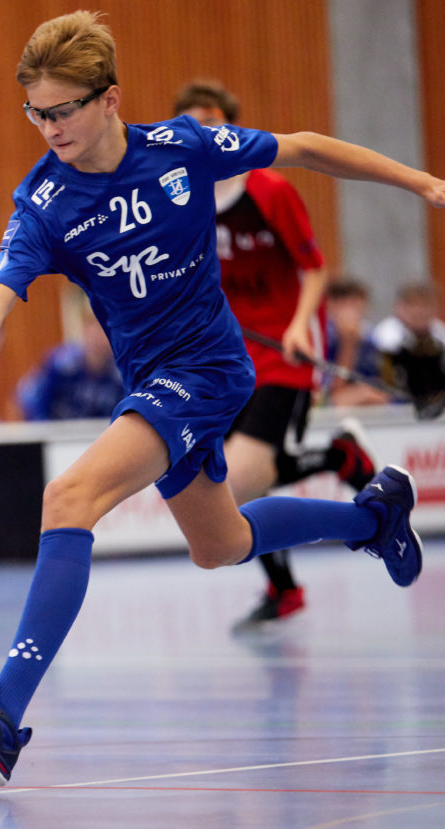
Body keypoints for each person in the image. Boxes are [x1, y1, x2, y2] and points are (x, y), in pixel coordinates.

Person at [0, 10, 436, 787]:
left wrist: (425, 184)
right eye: (35, 113)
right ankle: (375, 516)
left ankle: (2, 715)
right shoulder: (45, 202)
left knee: (69, 496)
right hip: (149, 380)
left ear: (109, 99)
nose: (49, 128)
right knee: (222, 544)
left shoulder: (182, 147)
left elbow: (305, 147)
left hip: (209, 369)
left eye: (62, 110)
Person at [174, 80, 378, 630]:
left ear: (232, 128)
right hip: (227, 356)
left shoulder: (269, 190)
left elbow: (314, 268)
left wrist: (298, 326)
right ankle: (336, 461)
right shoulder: (182, 198)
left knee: (240, 482)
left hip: (286, 352)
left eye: (213, 121)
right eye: (193, 124)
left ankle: (292, 575)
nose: (204, 133)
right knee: (233, 483)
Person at [16, 295, 122, 421]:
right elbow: (32, 403)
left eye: (107, 326)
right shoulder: (61, 364)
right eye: (94, 324)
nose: (100, 333)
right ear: (84, 327)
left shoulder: (121, 373)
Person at [372, 282, 445, 406]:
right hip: (394, 404)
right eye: (411, 304)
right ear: (398, 307)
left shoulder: (440, 333)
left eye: (424, 305)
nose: (419, 311)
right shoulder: (386, 335)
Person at [322, 276, 388, 406]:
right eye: (343, 302)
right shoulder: (322, 339)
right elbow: (328, 394)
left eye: (355, 302)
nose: (349, 309)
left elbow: (381, 388)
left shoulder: (370, 340)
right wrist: (348, 343)